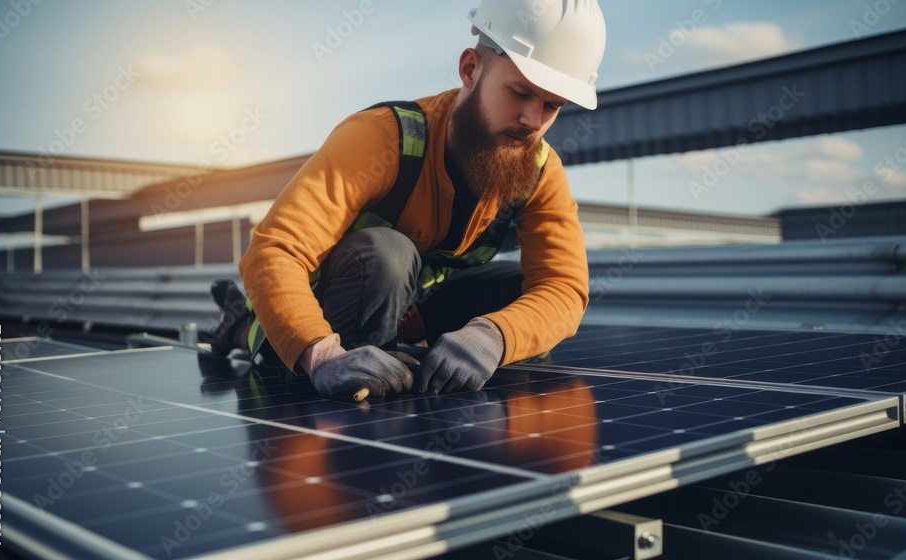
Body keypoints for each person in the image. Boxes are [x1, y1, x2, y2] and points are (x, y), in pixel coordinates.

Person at [208, 0, 607, 400]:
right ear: (470, 69)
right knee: (385, 253)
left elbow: (562, 286)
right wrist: (320, 353)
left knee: (519, 294)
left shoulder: (538, 169)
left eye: (552, 105)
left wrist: (495, 335)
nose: (533, 121)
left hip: (412, 302)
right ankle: (243, 326)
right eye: (519, 93)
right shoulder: (380, 138)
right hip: (339, 300)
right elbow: (275, 250)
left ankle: (413, 344)